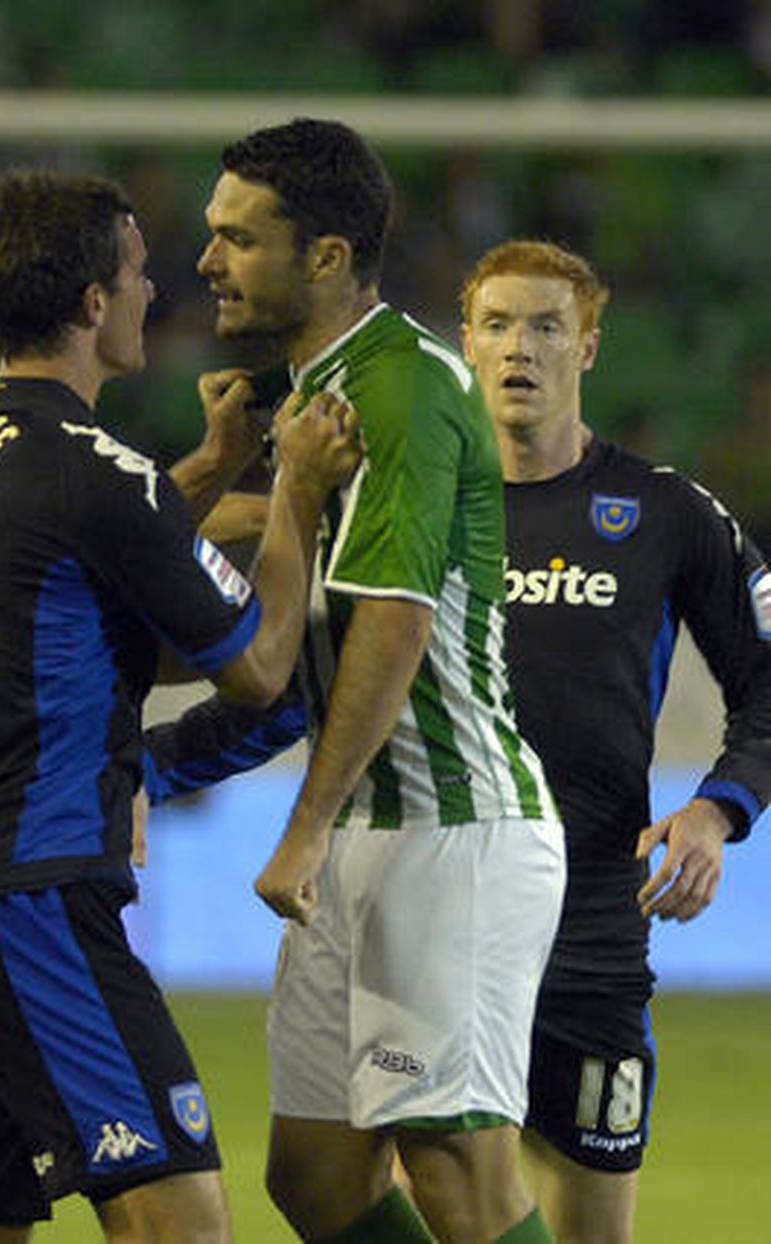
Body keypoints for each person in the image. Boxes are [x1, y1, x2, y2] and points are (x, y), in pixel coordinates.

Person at [0, 167, 361, 1242]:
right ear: (94, 302)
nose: (156, 290)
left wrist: (212, 464)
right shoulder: (96, 467)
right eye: (140, 273)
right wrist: (292, 490)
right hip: (33, 891)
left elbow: (89, 603)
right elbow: (257, 665)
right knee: (182, 1225)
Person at [198, 119, 565, 1244]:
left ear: (326, 255)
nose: (206, 262)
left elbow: (396, 625)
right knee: (313, 1177)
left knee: (457, 1172)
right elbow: (283, 545)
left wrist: (300, 828)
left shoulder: (397, 386)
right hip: (365, 830)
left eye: (238, 239)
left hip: (449, 829)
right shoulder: (311, 395)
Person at [460, 240, 771, 1244]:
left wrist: (716, 807)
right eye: (498, 323)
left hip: (593, 917)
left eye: (546, 325)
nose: (521, 347)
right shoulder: (417, 509)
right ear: (465, 343)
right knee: (422, 1190)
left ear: (587, 346)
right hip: (442, 910)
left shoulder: (663, 511)